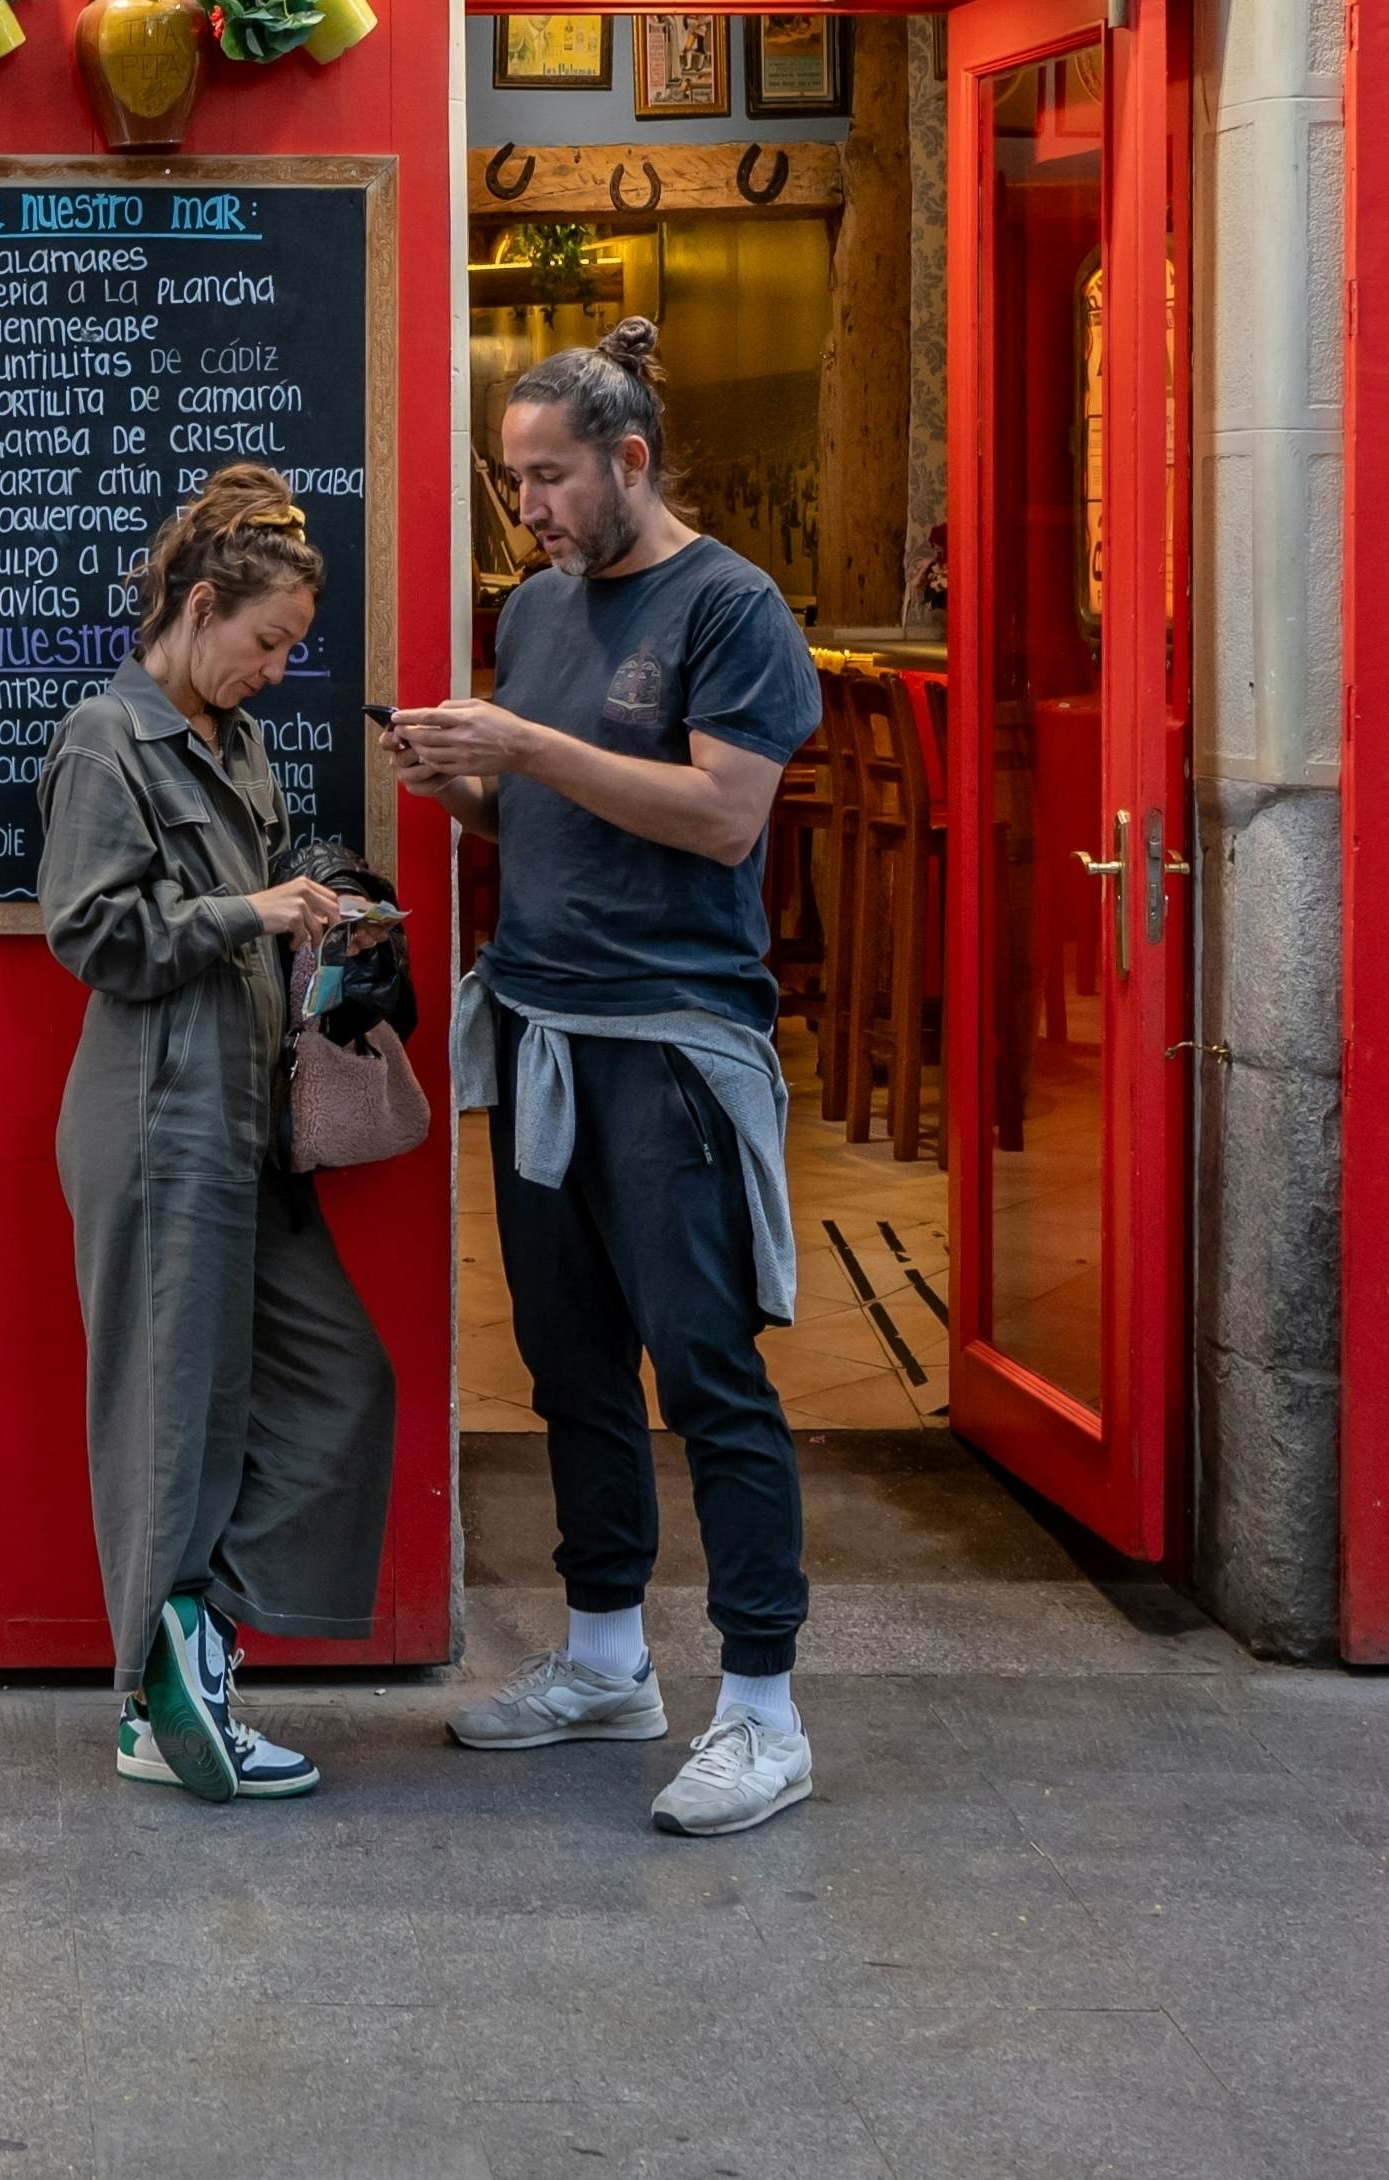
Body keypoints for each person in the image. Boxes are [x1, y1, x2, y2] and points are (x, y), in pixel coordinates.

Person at [384, 318, 827, 1839]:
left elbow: (716, 817)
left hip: (672, 1046)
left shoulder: (731, 608)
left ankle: (762, 1710)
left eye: (551, 479)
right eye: (513, 485)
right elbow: (552, 825)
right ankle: (602, 1661)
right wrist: (466, 792)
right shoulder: (538, 611)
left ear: (629, 460)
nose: (531, 512)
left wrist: (521, 745)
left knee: (705, 1371)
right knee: (567, 1365)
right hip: (539, 1029)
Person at [41, 462, 396, 1806]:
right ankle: (157, 1707)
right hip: (153, 1116)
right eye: (264, 643)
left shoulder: (239, 748)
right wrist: (252, 914)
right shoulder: (105, 737)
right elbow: (89, 934)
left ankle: (193, 1640)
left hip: (246, 1121)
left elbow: (257, 902)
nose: (275, 671)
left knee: (336, 1382)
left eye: (290, 650)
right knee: (168, 1422)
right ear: (198, 607)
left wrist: (334, 915)